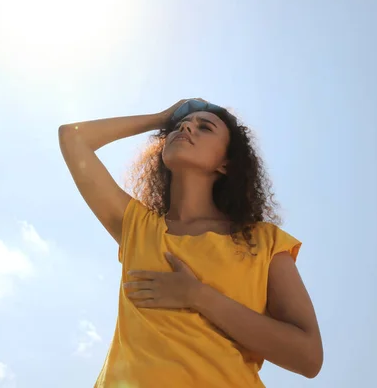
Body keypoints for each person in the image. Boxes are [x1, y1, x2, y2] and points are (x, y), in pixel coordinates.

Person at [58, 98, 323, 387]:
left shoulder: (263, 241)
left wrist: (197, 296)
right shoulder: (137, 226)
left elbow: (308, 356)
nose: (186, 126)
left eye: (205, 127)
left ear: (225, 163)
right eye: (181, 124)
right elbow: (72, 137)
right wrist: (162, 118)